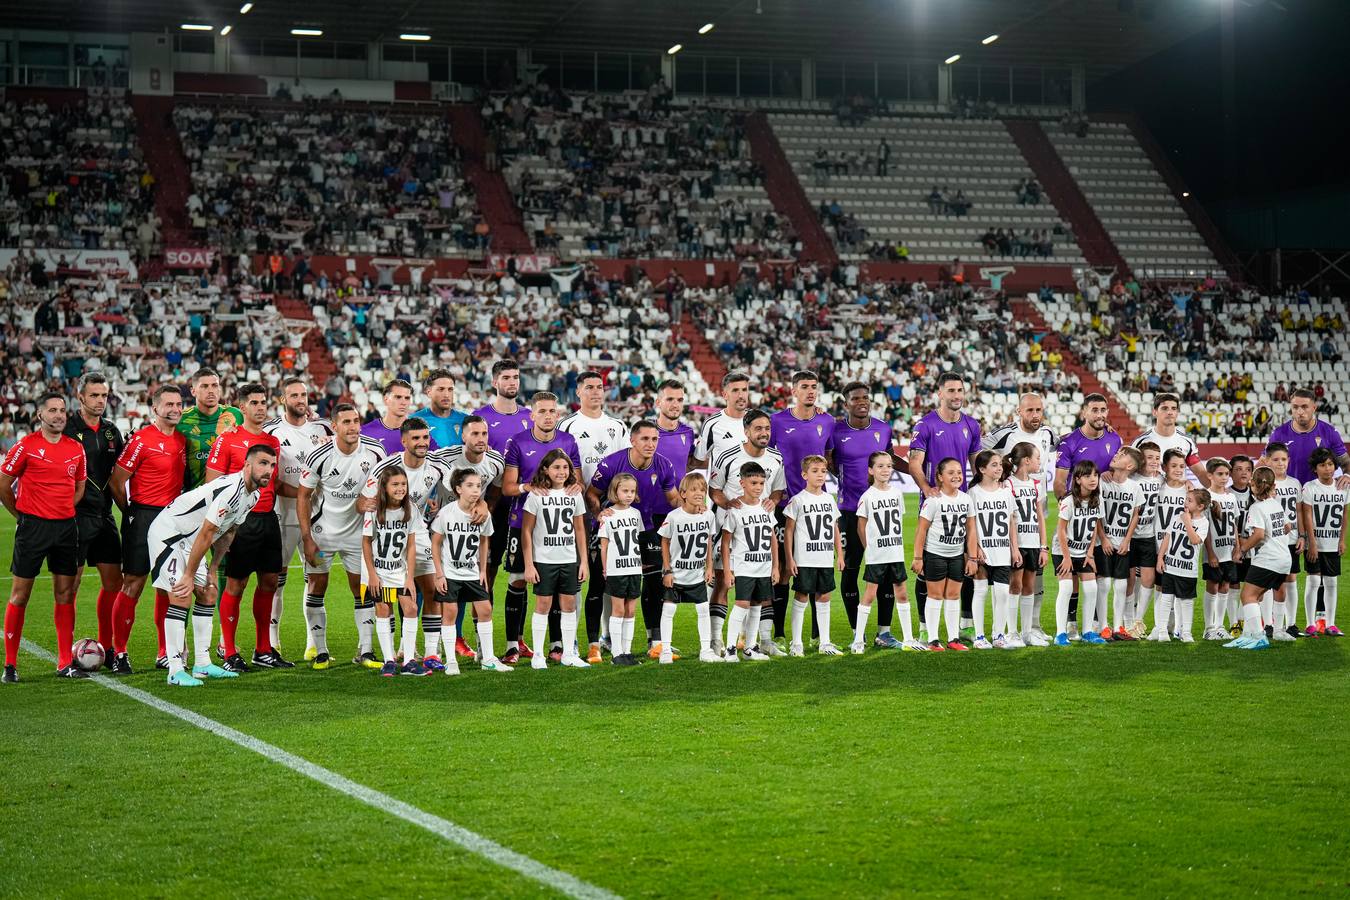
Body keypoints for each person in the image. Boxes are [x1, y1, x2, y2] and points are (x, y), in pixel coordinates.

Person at [148, 445, 275, 687]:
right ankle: (175, 669)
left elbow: (229, 531)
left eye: (271, 465)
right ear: (247, 465)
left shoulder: (254, 495)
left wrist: (213, 569)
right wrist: (188, 574)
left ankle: (203, 664)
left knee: (208, 592)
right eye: (262, 463)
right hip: (169, 534)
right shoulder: (231, 490)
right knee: (181, 594)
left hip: (191, 540)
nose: (268, 470)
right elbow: (207, 532)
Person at [1, 392, 88, 682]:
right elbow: (3, 484)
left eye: (62, 410)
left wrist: (62, 509)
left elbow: (79, 487)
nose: (59, 415)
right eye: (52, 410)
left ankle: (65, 662)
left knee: (65, 594)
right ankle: (10, 665)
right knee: (20, 595)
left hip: (65, 528)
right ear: (40, 415)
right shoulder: (25, 446)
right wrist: (22, 516)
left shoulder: (75, 448)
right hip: (33, 528)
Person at [205, 383, 290, 671]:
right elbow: (212, 484)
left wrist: (309, 491)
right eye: (254, 403)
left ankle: (263, 649)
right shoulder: (227, 440)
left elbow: (274, 483)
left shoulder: (272, 441)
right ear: (242, 408)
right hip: (238, 522)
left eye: (264, 402)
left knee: (269, 582)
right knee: (236, 584)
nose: (261, 407)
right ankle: (229, 651)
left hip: (267, 519)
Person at [296, 403, 388, 670]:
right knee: (317, 587)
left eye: (356, 421)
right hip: (323, 534)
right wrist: (307, 538)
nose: (353, 427)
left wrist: (369, 500)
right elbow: (303, 496)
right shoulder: (319, 455)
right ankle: (321, 650)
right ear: (334, 426)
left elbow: (387, 485)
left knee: (362, 589)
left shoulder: (375, 451)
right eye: (346, 422)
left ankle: (367, 651)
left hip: (357, 535)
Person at [359, 418, 454, 668]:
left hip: (416, 528)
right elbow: (362, 501)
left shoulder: (438, 465)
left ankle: (432, 652)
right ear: (404, 441)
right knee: (389, 596)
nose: (422, 443)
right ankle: (397, 651)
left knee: (432, 588)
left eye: (425, 438)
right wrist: (370, 507)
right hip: (387, 532)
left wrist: (478, 504)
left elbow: (460, 489)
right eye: (416, 438)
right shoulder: (386, 468)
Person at [107, 385, 187, 673]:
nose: (175, 409)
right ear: (155, 408)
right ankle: (120, 652)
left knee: (168, 586)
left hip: (173, 517)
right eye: (169, 404)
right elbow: (117, 480)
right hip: (142, 515)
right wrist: (131, 512)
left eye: (179, 404)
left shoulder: (181, 440)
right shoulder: (141, 440)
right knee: (134, 584)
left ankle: (164, 651)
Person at [500, 392, 583, 664]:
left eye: (553, 411)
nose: (548, 415)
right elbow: (508, 487)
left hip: (557, 528)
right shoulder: (519, 442)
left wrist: (576, 488)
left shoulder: (568, 441)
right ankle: (514, 644)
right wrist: (528, 487)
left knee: (559, 583)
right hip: (522, 521)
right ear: (532, 415)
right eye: (543, 411)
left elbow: (577, 482)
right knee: (518, 579)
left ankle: (558, 644)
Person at [588, 422, 680, 661]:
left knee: (651, 585)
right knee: (599, 583)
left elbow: (673, 499)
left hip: (644, 527)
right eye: (645, 439)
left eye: (654, 439)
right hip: (613, 529)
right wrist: (599, 514)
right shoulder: (612, 463)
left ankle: (654, 641)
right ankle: (594, 643)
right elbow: (591, 493)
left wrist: (694, 509)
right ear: (633, 440)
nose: (650, 444)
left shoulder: (663, 465)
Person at [560, 370, 630, 658]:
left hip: (610, 512)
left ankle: (607, 636)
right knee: (575, 578)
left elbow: (624, 471)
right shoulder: (568, 425)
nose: (595, 392)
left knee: (607, 575)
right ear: (578, 392)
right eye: (588, 387)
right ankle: (572, 639)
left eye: (599, 387)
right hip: (576, 511)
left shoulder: (617, 425)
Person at [264, 376, 334, 658]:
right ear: (283, 400)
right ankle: (272, 640)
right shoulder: (271, 431)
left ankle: (313, 644)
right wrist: (305, 491)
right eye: (293, 395)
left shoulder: (322, 428)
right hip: (281, 516)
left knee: (315, 580)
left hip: (318, 519)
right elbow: (271, 478)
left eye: (303, 394)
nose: (300, 400)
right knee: (275, 580)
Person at [908, 373, 982, 640]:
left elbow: (977, 464)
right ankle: (924, 626)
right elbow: (915, 462)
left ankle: (964, 623)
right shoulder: (926, 424)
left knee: (967, 563)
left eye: (960, 390)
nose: (956, 395)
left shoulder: (972, 425)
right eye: (951, 390)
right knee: (928, 568)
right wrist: (927, 489)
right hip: (935, 505)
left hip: (961, 505)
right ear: (940, 393)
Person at [983, 392, 1059, 642]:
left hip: (1036, 511)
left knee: (1034, 576)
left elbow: (1064, 443)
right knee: (1009, 579)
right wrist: (994, 480)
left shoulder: (1047, 434)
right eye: (1030, 411)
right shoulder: (1006, 434)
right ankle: (1008, 630)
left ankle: (1031, 628)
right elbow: (979, 449)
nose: (1035, 415)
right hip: (1011, 515)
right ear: (1019, 411)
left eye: (1039, 410)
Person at [833, 382, 904, 646]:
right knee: (850, 571)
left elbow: (892, 460)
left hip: (881, 512)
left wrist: (924, 479)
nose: (861, 402)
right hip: (849, 511)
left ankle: (883, 633)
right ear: (846, 403)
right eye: (855, 398)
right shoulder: (836, 429)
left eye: (865, 397)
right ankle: (857, 632)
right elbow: (828, 460)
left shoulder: (883, 428)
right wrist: (847, 480)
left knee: (885, 571)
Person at [769, 371, 836, 651]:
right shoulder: (777, 421)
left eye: (814, 387)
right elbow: (769, 458)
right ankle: (781, 632)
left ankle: (817, 636)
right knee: (785, 569)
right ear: (793, 391)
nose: (810, 391)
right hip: (786, 505)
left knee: (819, 566)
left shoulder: (827, 420)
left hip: (816, 507)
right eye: (805, 387)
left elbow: (829, 458)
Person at [709, 410, 785, 654]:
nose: (764, 433)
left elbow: (777, 490)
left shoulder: (776, 458)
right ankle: (717, 639)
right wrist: (728, 504)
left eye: (767, 429)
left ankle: (761, 641)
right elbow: (715, 490)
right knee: (723, 583)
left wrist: (773, 501)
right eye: (758, 429)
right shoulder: (728, 457)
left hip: (760, 530)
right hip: (730, 527)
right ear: (746, 431)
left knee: (761, 588)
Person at [431, 415, 505, 659]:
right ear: (463, 436)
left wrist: (485, 506)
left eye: (484, 434)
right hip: (444, 526)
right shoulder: (444, 456)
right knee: (432, 590)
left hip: (472, 530)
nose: (480, 439)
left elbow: (496, 489)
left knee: (478, 596)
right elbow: (422, 468)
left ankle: (483, 653)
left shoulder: (495, 461)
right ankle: (431, 648)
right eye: (474, 434)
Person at [64, 373, 124, 664]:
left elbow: (120, 475)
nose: (100, 401)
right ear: (80, 397)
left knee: (115, 583)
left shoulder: (112, 432)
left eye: (104, 395)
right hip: (74, 517)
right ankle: (65, 654)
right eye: (94, 395)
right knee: (70, 587)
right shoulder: (66, 429)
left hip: (104, 515)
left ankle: (108, 647)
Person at [1055, 393, 1122, 638]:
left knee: (1098, 577)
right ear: (1084, 412)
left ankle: (1095, 624)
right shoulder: (1069, 442)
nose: (1100, 415)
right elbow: (1059, 483)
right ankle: (1070, 622)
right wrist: (1074, 507)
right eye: (1094, 410)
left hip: (1107, 516)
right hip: (1079, 519)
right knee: (1071, 579)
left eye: (1103, 410)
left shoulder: (1115, 439)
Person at [431, 469, 510, 673]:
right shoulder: (447, 513)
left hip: (473, 573)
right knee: (450, 613)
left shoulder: (483, 515)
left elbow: (485, 541)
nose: (475, 490)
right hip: (450, 574)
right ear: (458, 489)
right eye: (470, 486)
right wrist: (439, 574)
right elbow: (436, 543)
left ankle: (488, 659)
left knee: (485, 610)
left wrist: (483, 570)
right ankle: (450, 661)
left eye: (477, 486)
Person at [521, 449, 589, 669]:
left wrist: (584, 562)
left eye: (565, 467)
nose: (561, 471)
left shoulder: (574, 494)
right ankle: (538, 655)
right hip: (544, 560)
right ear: (545, 470)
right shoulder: (537, 495)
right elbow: (526, 532)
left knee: (569, 606)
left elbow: (580, 530)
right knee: (543, 605)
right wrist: (529, 565)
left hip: (569, 559)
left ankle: (569, 653)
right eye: (556, 467)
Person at [474, 359, 533, 598]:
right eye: (506, 377)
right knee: (487, 566)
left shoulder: (531, 416)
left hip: (525, 502)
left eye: (515, 377)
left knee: (522, 570)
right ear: (494, 381)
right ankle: (482, 631)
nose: (512, 382)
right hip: (492, 503)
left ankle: (515, 635)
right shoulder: (480, 417)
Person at [361, 465, 426, 676]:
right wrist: (372, 574)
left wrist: (410, 577)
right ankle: (389, 660)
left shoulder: (411, 510)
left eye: (404, 484)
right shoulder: (374, 510)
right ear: (384, 487)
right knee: (383, 609)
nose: (400, 488)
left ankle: (408, 661)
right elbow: (366, 542)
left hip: (399, 571)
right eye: (395, 484)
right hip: (377, 571)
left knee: (411, 608)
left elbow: (412, 545)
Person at [855, 451, 919, 650]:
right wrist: (870, 549)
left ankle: (908, 638)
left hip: (895, 553)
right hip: (877, 555)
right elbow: (861, 527)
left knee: (902, 593)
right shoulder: (867, 496)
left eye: (889, 466)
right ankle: (858, 640)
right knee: (869, 595)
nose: (885, 470)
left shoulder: (896, 493)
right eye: (880, 466)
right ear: (871, 470)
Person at [913, 457, 977, 651]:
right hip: (935, 554)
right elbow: (921, 530)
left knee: (953, 595)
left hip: (957, 554)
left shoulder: (966, 499)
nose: (956, 476)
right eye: (950, 473)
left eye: (959, 472)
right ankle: (933, 639)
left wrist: (972, 557)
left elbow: (972, 530)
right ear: (939, 477)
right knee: (935, 595)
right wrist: (917, 557)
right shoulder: (933, 500)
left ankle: (953, 638)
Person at [719, 462, 780, 662]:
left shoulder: (766, 508)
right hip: (744, 567)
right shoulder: (736, 509)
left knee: (757, 606)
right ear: (742, 483)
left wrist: (776, 567)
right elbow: (726, 543)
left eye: (762, 483)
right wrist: (728, 571)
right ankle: (729, 648)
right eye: (753, 482)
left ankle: (750, 647)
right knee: (741, 605)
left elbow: (772, 539)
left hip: (763, 567)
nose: (758, 487)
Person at [783, 455, 843, 654]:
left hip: (825, 558)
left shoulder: (829, 499)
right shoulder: (798, 500)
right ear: (804, 474)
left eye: (823, 471)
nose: (820, 475)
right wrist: (790, 558)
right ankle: (797, 643)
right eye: (815, 471)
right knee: (801, 597)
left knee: (824, 597)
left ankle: (825, 642)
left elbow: (835, 528)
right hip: (804, 559)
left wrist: (840, 555)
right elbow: (789, 531)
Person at [658, 472, 719, 663]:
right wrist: (667, 570)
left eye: (702, 490)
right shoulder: (674, 516)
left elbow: (709, 542)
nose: (699, 493)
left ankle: (706, 650)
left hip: (696, 574)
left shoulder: (708, 514)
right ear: (683, 493)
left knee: (703, 609)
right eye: (693, 490)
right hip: (676, 574)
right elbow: (665, 542)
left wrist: (709, 568)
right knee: (668, 610)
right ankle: (665, 650)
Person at [1224, 466, 1286, 650]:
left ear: (1253, 485)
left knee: (1247, 595)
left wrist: (1241, 549)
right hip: (1283, 558)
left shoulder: (1256, 507)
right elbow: (1287, 527)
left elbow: (1259, 534)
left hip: (1269, 558)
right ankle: (1248, 634)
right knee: (1256, 596)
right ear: (1273, 485)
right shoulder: (1276, 504)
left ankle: (1258, 636)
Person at [968, 450, 1018, 650]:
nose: (999, 468)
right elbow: (970, 525)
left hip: (1002, 551)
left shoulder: (1006, 492)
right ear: (982, 469)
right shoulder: (973, 493)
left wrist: (1014, 549)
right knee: (980, 592)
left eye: (1000, 464)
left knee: (1002, 593)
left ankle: (998, 634)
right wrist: (975, 548)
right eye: (994, 465)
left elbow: (1011, 522)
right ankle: (979, 635)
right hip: (982, 552)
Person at [1052, 461, 1105, 646]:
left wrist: (1090, 553)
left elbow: (1093, 529)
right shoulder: (1068, 501)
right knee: (1066, 588)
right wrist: (1067, 558)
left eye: (1095, 476)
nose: (1093, 479)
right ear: (1077, 479)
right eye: (1088, 476)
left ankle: (1088, 631)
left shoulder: (1097, 500)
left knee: (1091, 589)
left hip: (1083, 552)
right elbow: (1060, 532)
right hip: (1063, 551)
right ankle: (1060, 634)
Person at [1151, 488, 1210, 643]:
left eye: (1190, 500)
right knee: (1166, 598)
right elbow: (1167, 537)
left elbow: (1195, 540)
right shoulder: (1178, 517)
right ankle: (1163, 631)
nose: (1185, 502)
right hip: (1171, 567)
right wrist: (1160, 558)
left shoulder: (1203, 523)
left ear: (1200, 506)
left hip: (1188, 571)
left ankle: (1186, 632)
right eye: (1186, 499)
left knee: (1186, 602)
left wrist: (1187, 522)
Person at [597, 473, 644, 665]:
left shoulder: (636, 514)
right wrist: (605, 569)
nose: (629, 495)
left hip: (634, 567)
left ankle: (627, 651)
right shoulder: (608, 516)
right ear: (615, 491)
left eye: (632, 491)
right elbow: (604, 545)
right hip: (616, 569)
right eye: (625, 491)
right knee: (618, 610)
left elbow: (638, 540)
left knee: (631, 610)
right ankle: (616, 653)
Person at [1097, 447, 1143, 641]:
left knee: (1121, 585)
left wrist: (1127, 540)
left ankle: (1118, 626)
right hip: (1103, 542)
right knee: (1105, 583)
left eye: (1121, 455)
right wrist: (1104, 538)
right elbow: (1096, 513)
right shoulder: (1101, 481)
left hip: (1123, 544)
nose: (1115, 455)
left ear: (1129, 465)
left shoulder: (1135, 487)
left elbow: (1135, 515)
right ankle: (1103, 626)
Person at [1300, 447, 1346, 635]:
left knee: (1331, 583)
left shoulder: (1343, 487)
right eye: (1322, 465)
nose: (1327, 468)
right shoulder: (1310, 487)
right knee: (1312, 581)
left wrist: (1342, 540)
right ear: (1315, 468)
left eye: (1330, 464)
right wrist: (1312, 543)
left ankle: (1330, 623)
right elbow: (1307, 515)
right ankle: (1310, 624)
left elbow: (1345, 515)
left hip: (1333, 543)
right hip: (1316, 543)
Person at [1005, 442, 1047, 647]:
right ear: (1027, 460)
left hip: (1033, 542)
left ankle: (1027, 633)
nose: (1040, 462)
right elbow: (1010, 518)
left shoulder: (1036, 484)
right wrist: (1014, 548)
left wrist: (1043, 546)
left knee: (1029, 586)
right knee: (1015, 585)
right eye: (1037, 458)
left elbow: (1040, 516)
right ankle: (1011, 632)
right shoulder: (1008, 484)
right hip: (1017, 542)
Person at [178, 368, 241, 491]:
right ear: (193, 391)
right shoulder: (181, 420)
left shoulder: (236, 415)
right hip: (194, 496)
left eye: (214, 386)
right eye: (204, 386)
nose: (211, 391)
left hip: (229, 497)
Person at [1131, 393, 1210, 487]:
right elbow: (1129, 472)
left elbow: (1200, 473)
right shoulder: (1141, 442)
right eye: (1164, 408)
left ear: (1177, 413)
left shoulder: (1186, 442)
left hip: (1176, 498)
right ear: (1154, 412)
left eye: (1174, 408)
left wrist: (1218, 495)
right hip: (1149, 498)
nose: (1170, 412)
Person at [1265, 443, 1303, 637]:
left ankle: (1292, 623)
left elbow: (1299, 511)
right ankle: (1269, 624)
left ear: (1289, 461)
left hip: (1291, 539)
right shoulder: (1264, 483)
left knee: (1291, 580)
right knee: (1269, 581)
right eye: (1276, 460)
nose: (1280, 464)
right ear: (1267, 460)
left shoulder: (1295, 483)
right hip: (1271, 541)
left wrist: (1302, 535)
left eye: (1284, 460)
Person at [1127, 442, 1163, 639]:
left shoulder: (1161, 480)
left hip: (1148, 535)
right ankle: (1128, 620)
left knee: (1148, 579)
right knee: (1131, 580)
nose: (1154, 462)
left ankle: (1138, 621)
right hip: (1131, 536)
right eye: (1150, 457)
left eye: (1157, 458)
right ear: (1141, 459)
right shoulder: (1132, 478)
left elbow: (1179, 483)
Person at [1204, 458, 1241, 640]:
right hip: (1214, 553)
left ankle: (1219, 625)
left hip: (1229, 551)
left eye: (1227, 474)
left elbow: (1234, 524)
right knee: (1212, 586)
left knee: (1225, 587)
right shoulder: (1206, 497)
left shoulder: (1231, 497)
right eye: (1220, 474)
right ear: (1210, 475)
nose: (1224, 477)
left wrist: (1238, 548)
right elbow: (1204, 527)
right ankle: (1208, 627)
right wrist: (1210, 553)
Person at [695, 371, 751, 471]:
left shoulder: (759, 420)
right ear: (725, 395)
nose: (741, 396)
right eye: (735, 390)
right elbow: (698, 461)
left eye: (744, 390)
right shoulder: (712, 424)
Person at [363, 379, 435, 455]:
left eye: (407, 398)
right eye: (398, 397)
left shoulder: (421, 432)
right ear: (385, 400)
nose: (403, 402)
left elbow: (437, 461)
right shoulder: (366, 432)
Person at [1227, 455, 1255, 637]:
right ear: (1230, 473)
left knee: (1250, 586)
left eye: (1247, 469)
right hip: (1231, 547)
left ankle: (1244, 620)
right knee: (1233, 584)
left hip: (1252, 546)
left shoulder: (1256, 494)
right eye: (1238, 469)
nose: (1243, 472)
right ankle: (1234, 623)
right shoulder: (1227, 494)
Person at [414, 368, 467, 450]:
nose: (446, 395)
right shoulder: (413, 421)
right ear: (429, 392)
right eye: (441, 389)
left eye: (450, 389)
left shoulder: (466, 420)